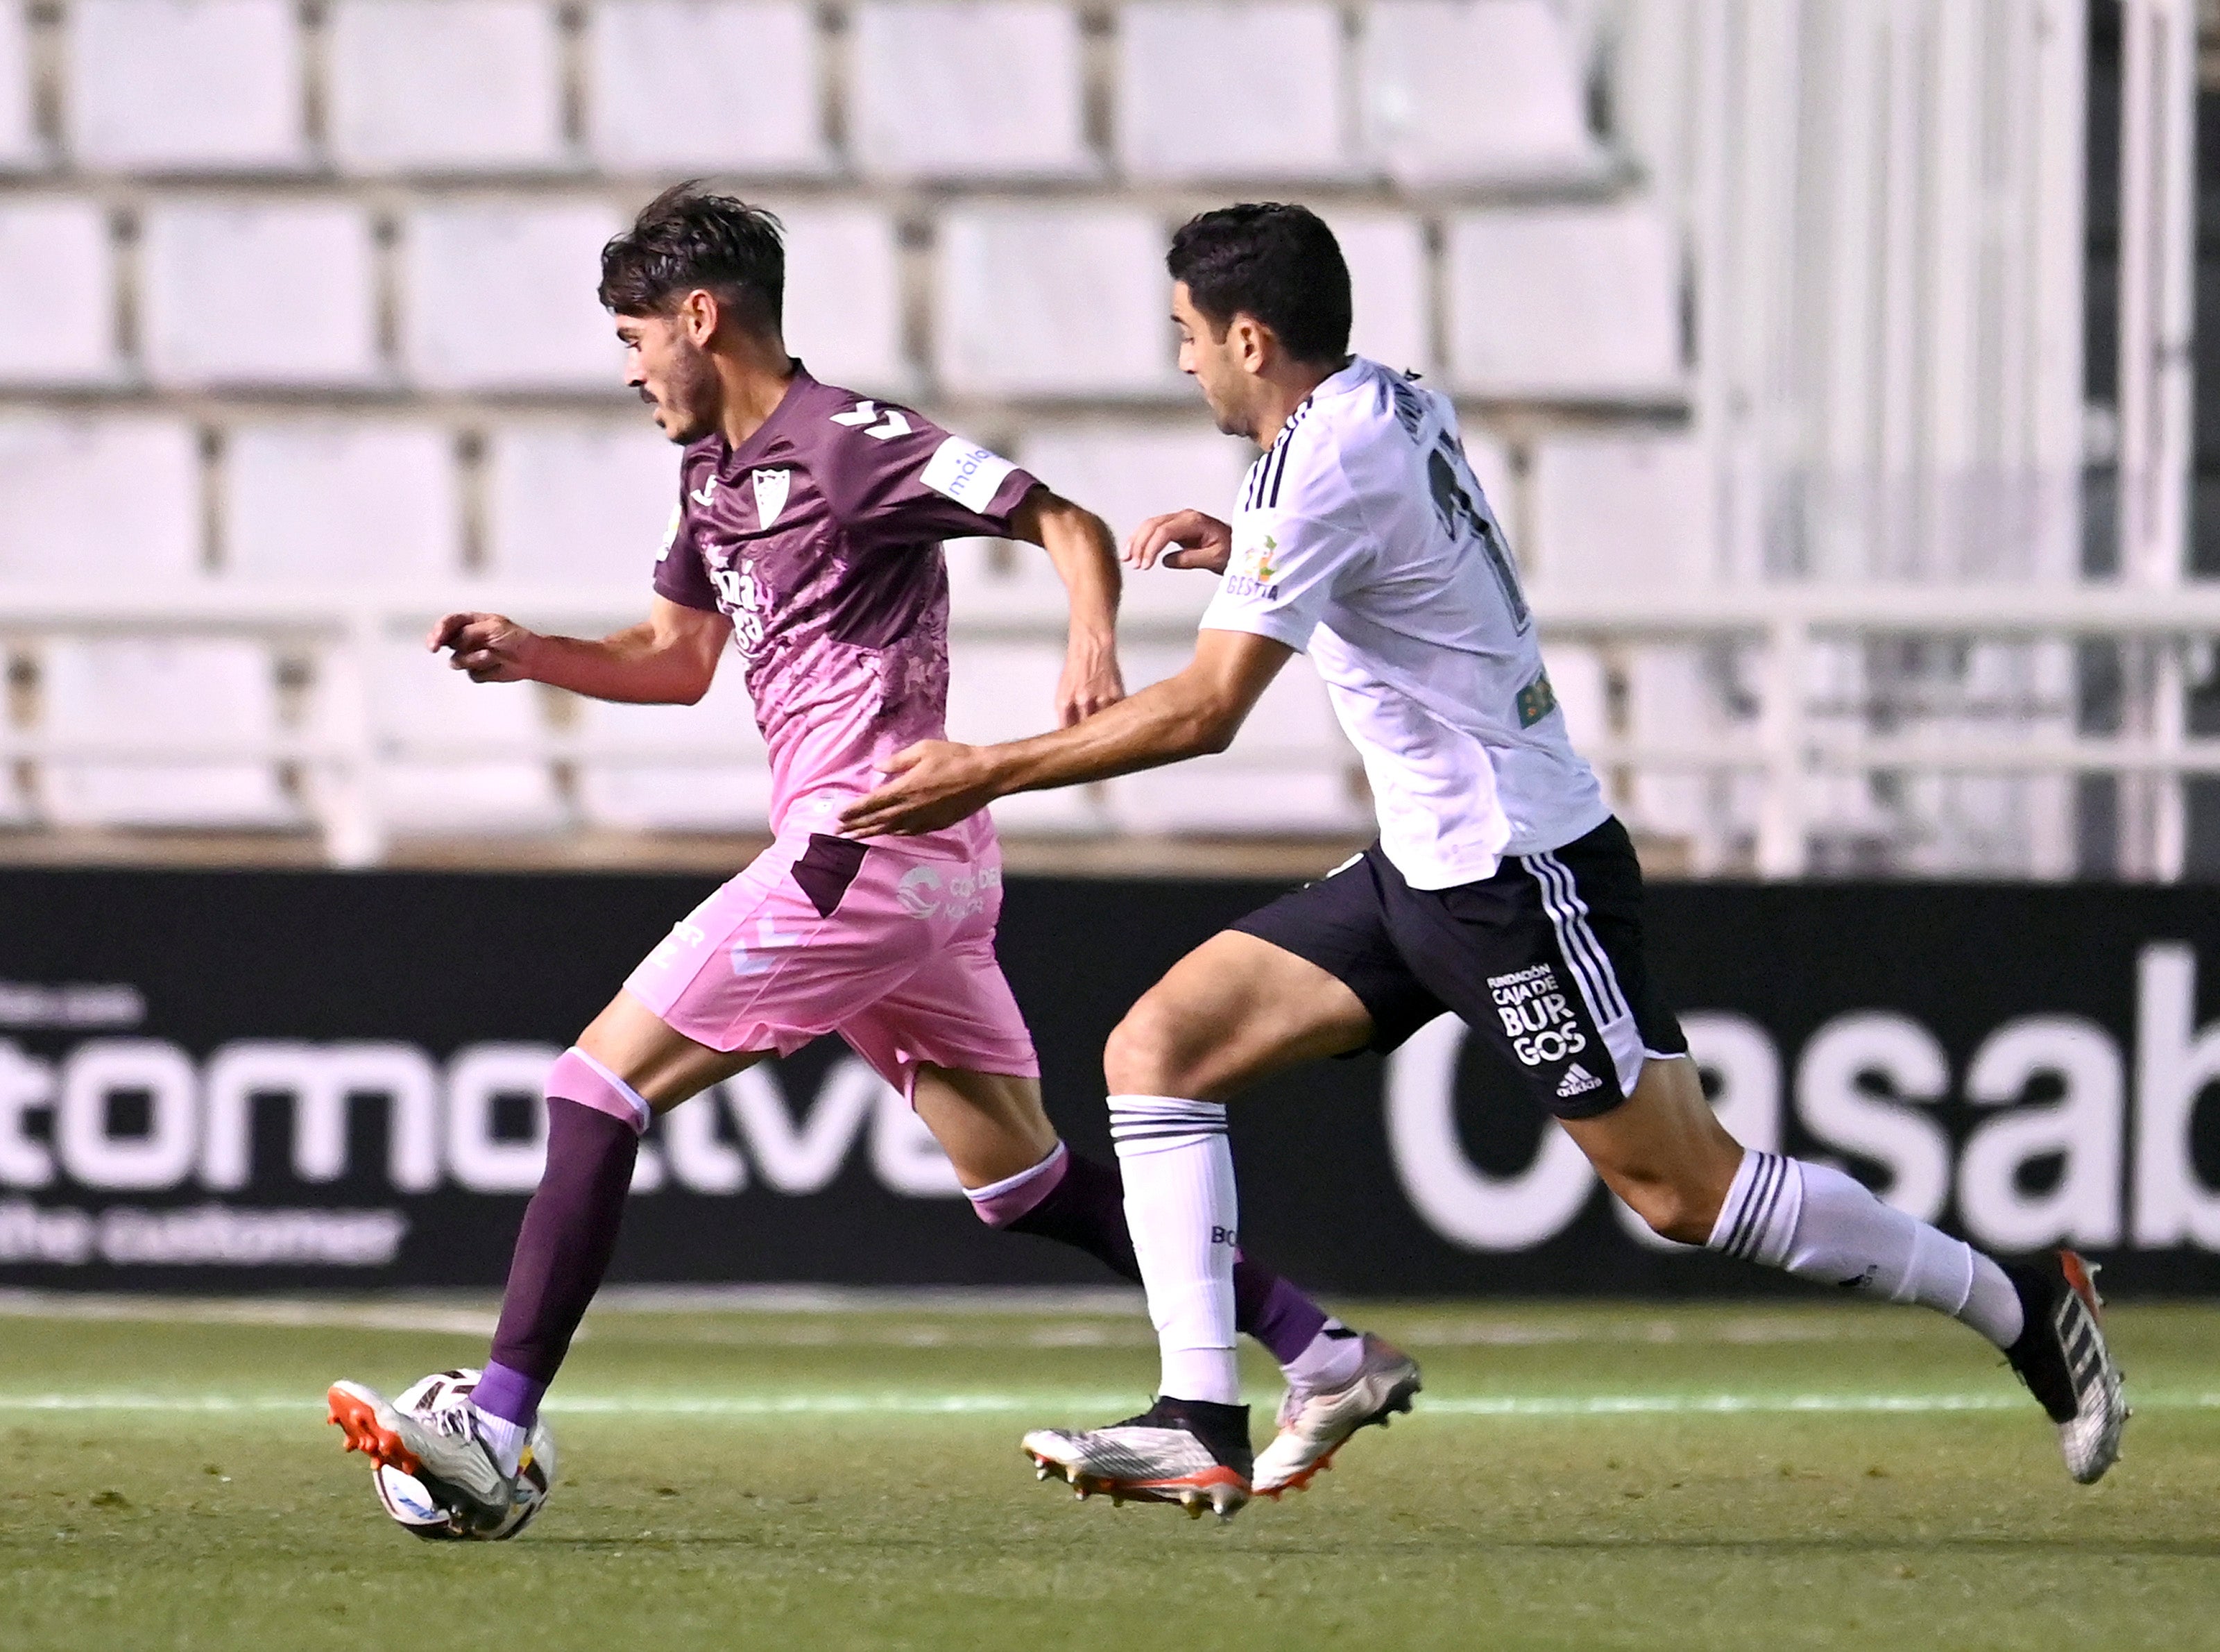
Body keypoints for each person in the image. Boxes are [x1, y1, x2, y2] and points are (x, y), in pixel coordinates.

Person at [837, 202, 2128, 1522]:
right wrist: (1255, 563)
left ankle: (2021, 1301)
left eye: (1186, 337)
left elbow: (1206, 714)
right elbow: (1413, 560)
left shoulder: (1316, 466)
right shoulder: (1386, 400)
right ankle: (1198, 1413)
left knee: (1685, 1191)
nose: (1182, 365)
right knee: (1154, 1051)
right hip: (1422, 865)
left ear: (1250, 335)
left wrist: (980, 767)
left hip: (1518, 874)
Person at [326, 185, 1410, 1533]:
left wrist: (1088, 640)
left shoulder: (849, 441)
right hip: (925, 874)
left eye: (633, 335)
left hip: (868, 846)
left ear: (699, 317)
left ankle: (494, 1424)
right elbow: (676, 664)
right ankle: (1321, 1352)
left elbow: (1061, 520)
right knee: (1019, 1180)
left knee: (594, 1087)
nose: (627, 368)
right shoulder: (712, 478)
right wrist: (528, 649)